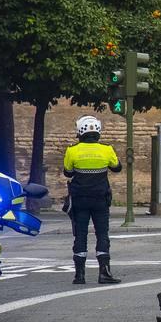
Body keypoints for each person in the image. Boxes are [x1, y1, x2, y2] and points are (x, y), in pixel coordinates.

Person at [62, 115, 122, 285]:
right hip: (100, 199)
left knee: (80, 234)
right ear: (98, 132)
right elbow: (117, 167)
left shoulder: (72, 151)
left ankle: (79, 275)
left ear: (79, 132)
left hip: (80, 200)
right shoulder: (107, 149)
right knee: (102, 234)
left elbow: (68, 172)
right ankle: (104, 272)